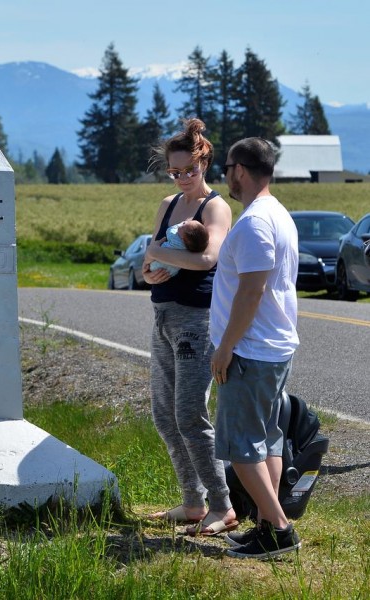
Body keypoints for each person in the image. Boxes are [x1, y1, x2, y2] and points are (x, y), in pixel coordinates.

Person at [142, 118, 238, 537]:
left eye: (189, 170)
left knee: (190, 414)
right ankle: (193, 502)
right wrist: (150, 272)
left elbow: (207, 260)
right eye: (174, 172)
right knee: (163, 416)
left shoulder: (215, 207)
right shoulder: (167, 205)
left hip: (196, 320)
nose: (182, 178)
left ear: (205, 164)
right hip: (162, 314)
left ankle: (224, 505)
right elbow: (149, 259)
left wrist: (160, 253)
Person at [210, 138, 301, 559]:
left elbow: (251, 292)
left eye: (227, 166)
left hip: (250, 351)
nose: (224, 174)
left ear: (241, 170)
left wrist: (226, 347)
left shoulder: (253, 224)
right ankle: (266, 523)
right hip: (273, 346)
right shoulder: (279, 214)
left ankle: (279, 528)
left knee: (242, 447)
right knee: (268, 440)